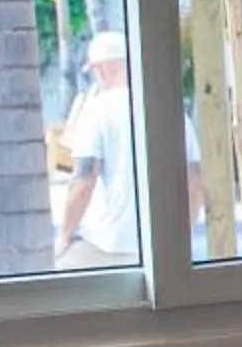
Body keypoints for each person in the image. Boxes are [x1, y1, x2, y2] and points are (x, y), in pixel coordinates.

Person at [55, 32, 198, 267]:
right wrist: (182, 238)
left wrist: (64, 235)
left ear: (100, 71)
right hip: (162, 248)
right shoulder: (169, 108)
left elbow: (83, 181)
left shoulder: (97, 111)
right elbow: (193, 180)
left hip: (107, 244)